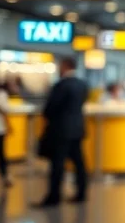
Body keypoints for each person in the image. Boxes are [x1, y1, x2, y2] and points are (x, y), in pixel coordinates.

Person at [36, 58, 88, 207]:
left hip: (61, 130)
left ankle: (54, 196)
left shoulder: (61, 85)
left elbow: (51, 107)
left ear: (66, 66)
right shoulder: (82, 84)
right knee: (79, 162)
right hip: (77, 129)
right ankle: (81, 192)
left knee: (57, 164)